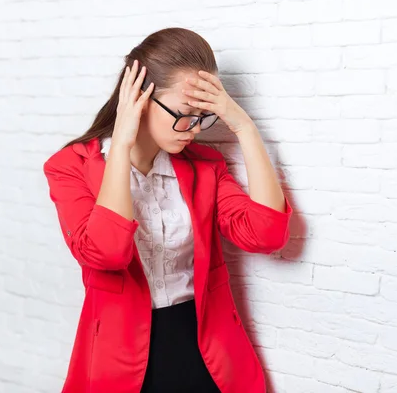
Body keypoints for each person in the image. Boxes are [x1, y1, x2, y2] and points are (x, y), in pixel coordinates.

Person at [43, 27, 293, 393]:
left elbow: (266, 235)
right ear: (140, 100)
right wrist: (123, 144)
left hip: (206, 347)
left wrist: (244, 126)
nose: (192, 129)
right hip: (119, 355)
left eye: (202, 117)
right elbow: (106, 253)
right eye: (184, 114)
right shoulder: (70, 167)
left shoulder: (204, 167)